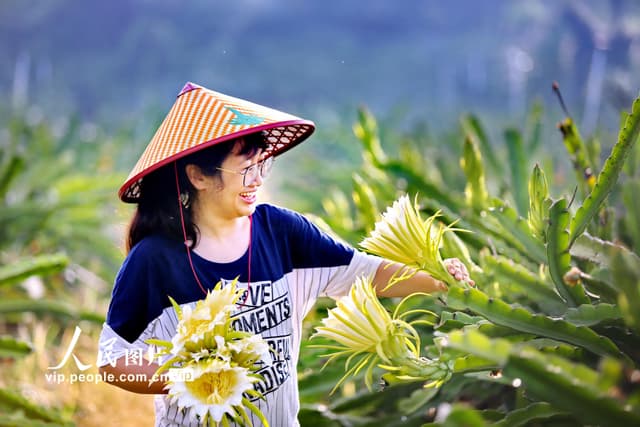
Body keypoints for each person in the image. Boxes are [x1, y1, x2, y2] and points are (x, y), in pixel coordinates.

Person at [97, 82, 471, 427]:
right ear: (198, 177)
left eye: (263, 165)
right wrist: (188, 380)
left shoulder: (282, 231)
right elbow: (113, 361)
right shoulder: (154, 259)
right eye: (246, 168)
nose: (258, 180)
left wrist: (439, 280)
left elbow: (365, 273)